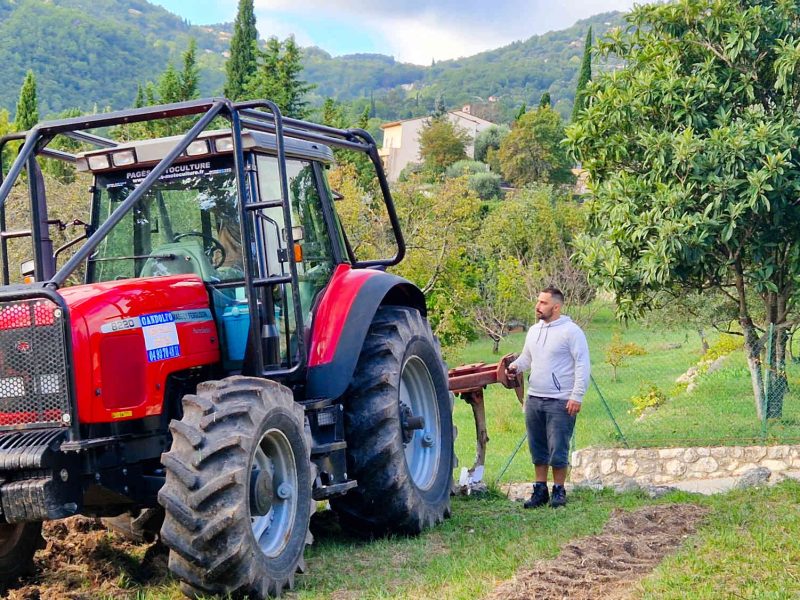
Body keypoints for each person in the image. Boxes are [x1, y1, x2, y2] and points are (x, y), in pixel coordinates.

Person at [506, 286, 590, 508]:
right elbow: (527, 358)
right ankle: (540, 490)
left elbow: (583, 365)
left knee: (558, 448)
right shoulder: (534, 330)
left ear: (556, 306)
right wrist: (515, 366)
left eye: (543, 303)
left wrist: (577, 396)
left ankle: (559, 491)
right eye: (538, 301)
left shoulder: (571, 332)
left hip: (560, 400)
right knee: (538, 447)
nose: (537, 306)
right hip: (534, 398)